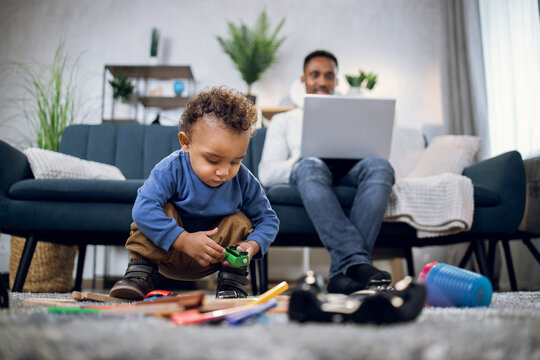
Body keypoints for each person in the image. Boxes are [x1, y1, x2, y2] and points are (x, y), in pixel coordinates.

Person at [110, 87, 279, 300]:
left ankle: (231, 284)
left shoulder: (243, 180)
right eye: (212, 160)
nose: (224, 172)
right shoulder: (170, 169)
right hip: (167, 253)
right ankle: (139, 275)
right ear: (186, 143)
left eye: (236, 161)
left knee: (240, 220)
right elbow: (142, 210)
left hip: (214, 257)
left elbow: (268, 219)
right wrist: (183, 240)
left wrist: (252, 245)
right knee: (157, 209)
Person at [258, 50, 395, 294]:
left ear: (336, 81)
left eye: (329, 76)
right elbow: (266, 173)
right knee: (310, 164)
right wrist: (304, 160)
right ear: (303, 80)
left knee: (381, 166)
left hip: (352, 172)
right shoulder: (285, 120)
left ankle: (342, 273)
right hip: (311, 175)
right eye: (315, 75)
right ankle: (356, 265)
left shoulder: (355, 115)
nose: (322, 81)